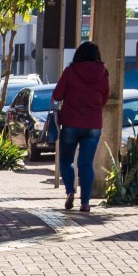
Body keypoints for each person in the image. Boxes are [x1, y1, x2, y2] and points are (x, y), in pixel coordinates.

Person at [51, 41, 109, 213]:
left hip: (71, 122)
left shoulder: (71, 71)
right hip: (93, 124)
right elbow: (104, 99)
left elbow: (57, 95)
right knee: (86, 164)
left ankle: (70, 191)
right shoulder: (103, 73)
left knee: (66, 160)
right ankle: (85, 203)